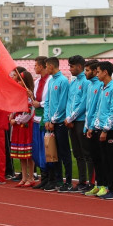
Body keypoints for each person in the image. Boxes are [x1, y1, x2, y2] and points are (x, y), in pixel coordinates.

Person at [90, 61, 113, 200]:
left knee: (112, 161)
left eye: (98, 72)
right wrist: (94, 126)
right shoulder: (103, 88)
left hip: (111, 130)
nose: (96, 74)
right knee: (105, 160)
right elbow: (99, 109)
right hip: (101, 128)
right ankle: (110, 187)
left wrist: (105, 130)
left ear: (105, 72)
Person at [43, 57, 72, 192]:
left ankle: (68, 181)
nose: (46, 69)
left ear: (51, 66)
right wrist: (47, 119)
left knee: (64, 152)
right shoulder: (51, 81)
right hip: (51, 123)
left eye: (46, 66)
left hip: (60, 123)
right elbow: (47, 101)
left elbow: (62, 103)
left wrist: (53, 120)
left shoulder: (63, 81)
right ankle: (58, 180)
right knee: (54, 153)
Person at [64, 55, 93, 193]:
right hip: (71, 121)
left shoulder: (86, 82)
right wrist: (68, 117)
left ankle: (91, 182)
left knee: (86, 153)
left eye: (71, 66)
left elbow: (84, 103)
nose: (70, 69)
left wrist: (71, 117)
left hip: (81, 121)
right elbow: (69, 101)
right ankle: (82, 181)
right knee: (77, 153)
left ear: (79, 66)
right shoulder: (73, 82)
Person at [10, 71, 36, 187]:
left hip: (26, 127)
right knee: (21, 155)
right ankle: (24, 176)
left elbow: (29, 112)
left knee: (28, 154)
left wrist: (16, 120)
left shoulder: (29, 95)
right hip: (18, 127)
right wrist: (11, 115)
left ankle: (31, 177)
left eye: (20, 80)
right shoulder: (19, 94)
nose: (18, 82)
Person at [83, 60, 105, 196]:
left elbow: (97, 108)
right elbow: (88, 108)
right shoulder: (90, 85)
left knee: (101, 158)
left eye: (87, 70)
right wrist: (86, 126)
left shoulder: (100, 85)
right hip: (89, 126)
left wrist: (91, 126)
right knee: (94, 157)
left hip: (96, 126)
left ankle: (103, 185)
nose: (85, 73)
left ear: (95, 71)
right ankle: (97, 184)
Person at [31, 56, 51, 189]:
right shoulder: (37, 81)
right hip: (37, 118)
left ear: (42, 66)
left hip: (46, 117)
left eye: (36, 65)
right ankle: (43, 176)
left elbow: (50, 99)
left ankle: (50, 177)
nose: (34, 68)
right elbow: (35, 99)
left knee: (47, 149)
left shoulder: (50, 81)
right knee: (37, 148)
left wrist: (40, 104)